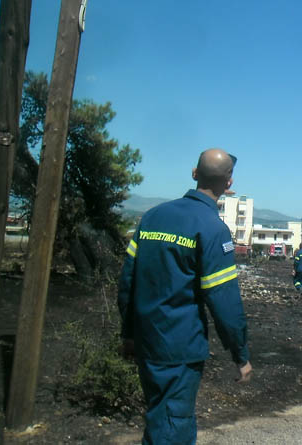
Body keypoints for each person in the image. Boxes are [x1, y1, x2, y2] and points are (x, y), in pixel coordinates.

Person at [118, 148, 252, 444]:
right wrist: (240, 355)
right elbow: (224, 302)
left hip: (146, 341)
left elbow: (128, 280)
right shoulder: (213, 230)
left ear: (194, 173)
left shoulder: (152, 217)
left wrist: (129, 333)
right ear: (229, 184)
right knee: (173, 426)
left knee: (157, 417)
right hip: (178, 350)